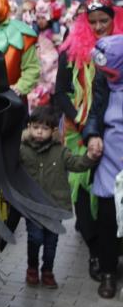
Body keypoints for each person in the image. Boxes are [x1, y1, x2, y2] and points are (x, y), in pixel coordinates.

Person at [54, 0, 123, 281]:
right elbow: (60, 93)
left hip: (114, 131)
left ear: (113, 19)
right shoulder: (71, 50)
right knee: (81, 191)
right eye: (92, 21)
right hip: (78, 130)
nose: (98, 26)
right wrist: (81, 122)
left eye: (103, 20)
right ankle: (95, 249)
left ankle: (111, 248)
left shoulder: (119, 48)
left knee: (109, 193)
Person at [19, 106, 100, 289]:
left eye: (45, 128)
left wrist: (89, 157)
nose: (40, 132)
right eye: (36, 127)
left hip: (55, 207)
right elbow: (9, 164)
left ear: (54, 130)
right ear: (29, 127)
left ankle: (48, 271)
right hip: (33, 207)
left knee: (51, 242)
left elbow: (76, 164)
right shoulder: (22, 150)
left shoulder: (60, 151)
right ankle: (32, 268)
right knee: (35, 238)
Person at [82, 33, 123, 298]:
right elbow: (94, 112)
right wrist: (93, 135)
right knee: (107, 217)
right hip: (109, 157)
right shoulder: (104, 81)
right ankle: (108, 272)